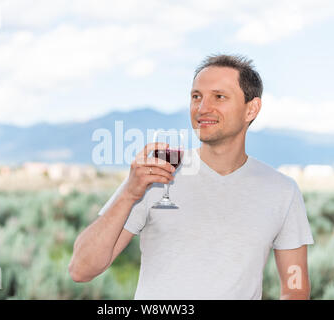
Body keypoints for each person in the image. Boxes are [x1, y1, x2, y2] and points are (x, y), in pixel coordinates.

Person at [68, 54, 314, 300]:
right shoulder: (156, 174)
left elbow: (295, 288)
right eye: (196, 96)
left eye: (219, 97)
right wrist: (129, 194)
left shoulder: (282, 192)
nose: (202, 108)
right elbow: (81, 269)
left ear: (251, 109)